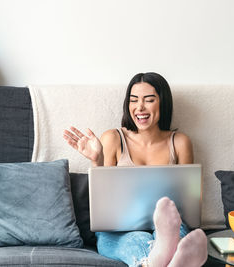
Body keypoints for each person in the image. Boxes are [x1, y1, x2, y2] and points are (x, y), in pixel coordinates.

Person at [63, 72, 207, 267]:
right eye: (133, 100)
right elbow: (103, 203)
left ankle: (160, 254)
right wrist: (97, 160)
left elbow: (189, 202)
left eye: (149, 100)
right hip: (118, 232)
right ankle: (172, 257)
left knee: (175, 229)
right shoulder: (113, 139)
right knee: (138, 239)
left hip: (169, 227)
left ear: (162, 103)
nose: (139, 107)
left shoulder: (180, 142)